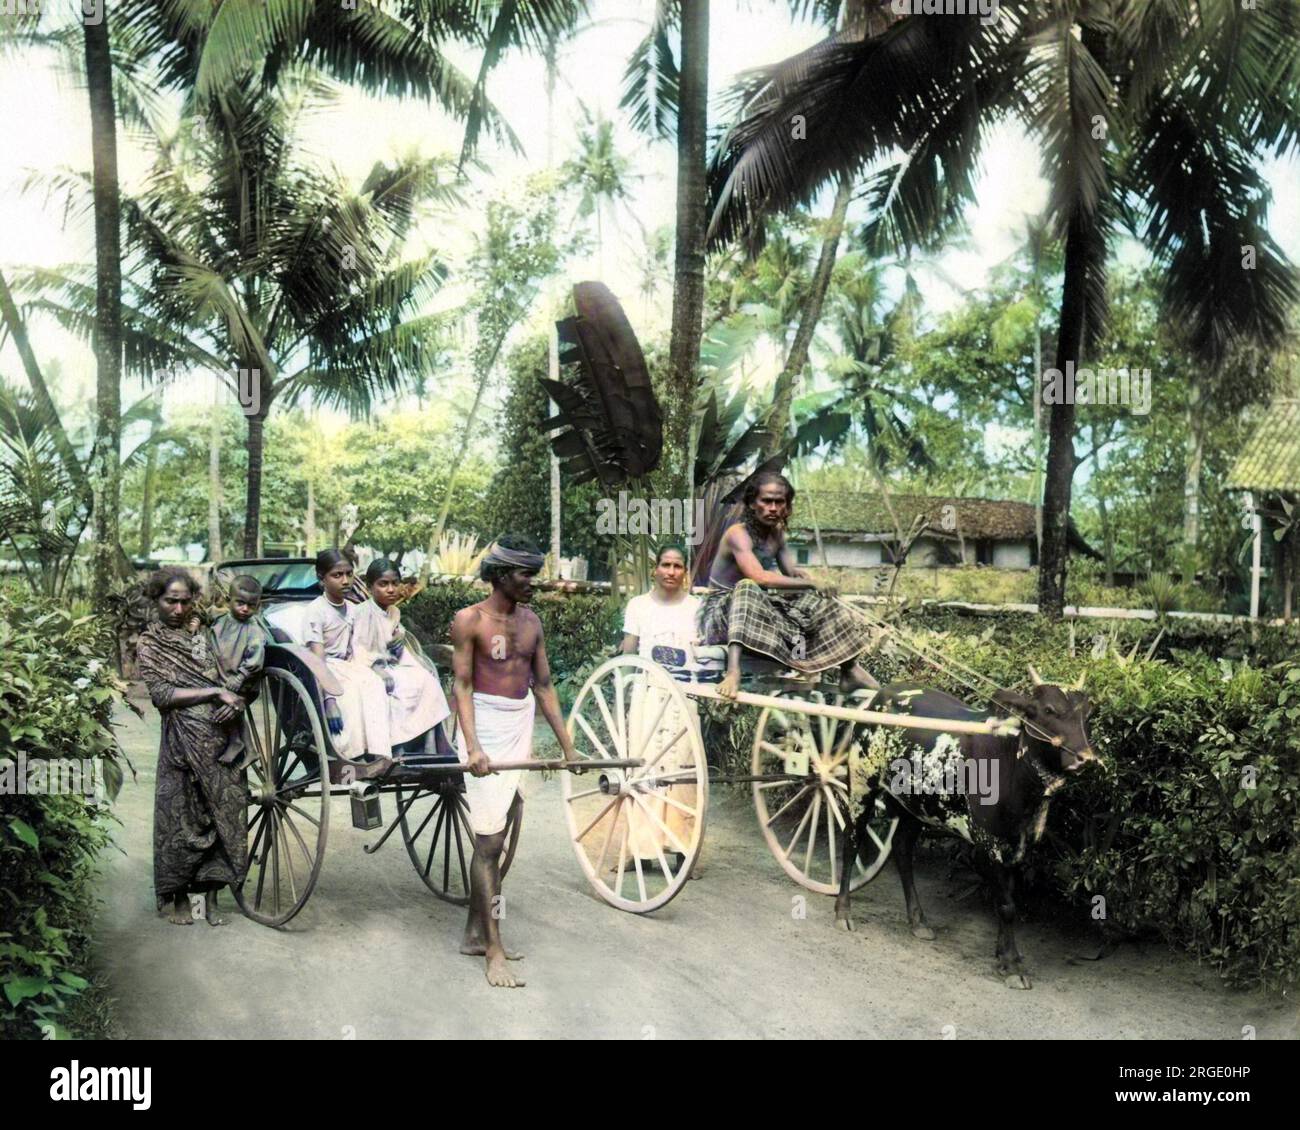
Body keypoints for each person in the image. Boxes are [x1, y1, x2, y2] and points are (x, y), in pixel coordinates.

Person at [450, 534, 579, 988]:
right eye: (526, 574)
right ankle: (494, 951)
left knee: (502, 834)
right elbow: (462, 687)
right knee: (490, 843)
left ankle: (474, 933)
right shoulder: (468, 621)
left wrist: (568, 747)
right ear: (502, 575)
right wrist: (473, 747)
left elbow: (543, 687)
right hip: (482, 725)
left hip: (518, 724)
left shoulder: (532, 623)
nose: (533, 583)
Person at [701, 471, 879, 700]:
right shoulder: (738, 534)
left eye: (779, 502)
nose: (773, 508)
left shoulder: (777, 535)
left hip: (755, 607)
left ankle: (849, 669)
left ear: (786, 506)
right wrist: (809, 583)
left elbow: (791, 574)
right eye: (766, 501)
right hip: (720, 615)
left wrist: (811, 580)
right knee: (747, 587)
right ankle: (733, 672)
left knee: (816, 601)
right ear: (752, 504)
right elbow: (759, 577)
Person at [136, 568, 249, 927]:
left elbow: (225, 672)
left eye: (186, 601)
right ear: (156, 601)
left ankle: (212, 898)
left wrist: (231, 697)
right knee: (182, 818)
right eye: (171, 601)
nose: (180, 609)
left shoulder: (204, 633)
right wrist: (214, 693)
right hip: (181, 744)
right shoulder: (150, 644)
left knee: (220, 815)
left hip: (219, 741)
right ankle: (181, 898)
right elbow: (163, 695)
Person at [620, 545, 704, 876]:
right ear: (655, 569)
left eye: (677, 566)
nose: (670, 571)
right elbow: (628, 651)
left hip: (685, 694)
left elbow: (705, 652)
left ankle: (684, 850)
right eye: (665, 565)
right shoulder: (638, 606)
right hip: (648, 694)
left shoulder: (697, 609)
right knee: (644, 770)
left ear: (685, 572)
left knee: (684, 771)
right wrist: (623, 694)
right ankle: (642, 851)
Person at [352, 558, 450, 757]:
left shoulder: (393, 611)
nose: (390, 589)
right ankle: (397, 746)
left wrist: (400, 636)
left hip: (393, 662)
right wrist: (376, 668)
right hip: (368, 666)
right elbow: (358, 648)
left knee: (427, 681)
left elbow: (396, 638)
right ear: (370, 587)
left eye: (394, 584)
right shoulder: (362, 612)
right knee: (395, 688)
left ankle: (429, 745)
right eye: (383, 584)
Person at [303, 549, 393, 762]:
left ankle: (379, 752)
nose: (345, 580)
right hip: (327, 667)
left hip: (351, 665)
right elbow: (317, 658)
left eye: (349, 574)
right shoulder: (316, 611)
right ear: (321, 578)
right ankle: (352, 754)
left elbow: (361, 647)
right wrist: (329, 700)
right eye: (337, 575)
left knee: (373, 684)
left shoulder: (354, 609)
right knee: (349, 691)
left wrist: (376, 668)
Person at [208, 574, 272, 769]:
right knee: (217, 696)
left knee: (228, 702)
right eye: (240, 603)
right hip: (223, 676)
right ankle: (248, 748)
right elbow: (202, 627)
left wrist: (241, 676)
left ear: (258, 606)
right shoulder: (219, 621)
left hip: (244, 682)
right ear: (229, 601)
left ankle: (238, 742)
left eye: (251, 605)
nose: (245, 609)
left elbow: (255, 659)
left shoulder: (254, 630)